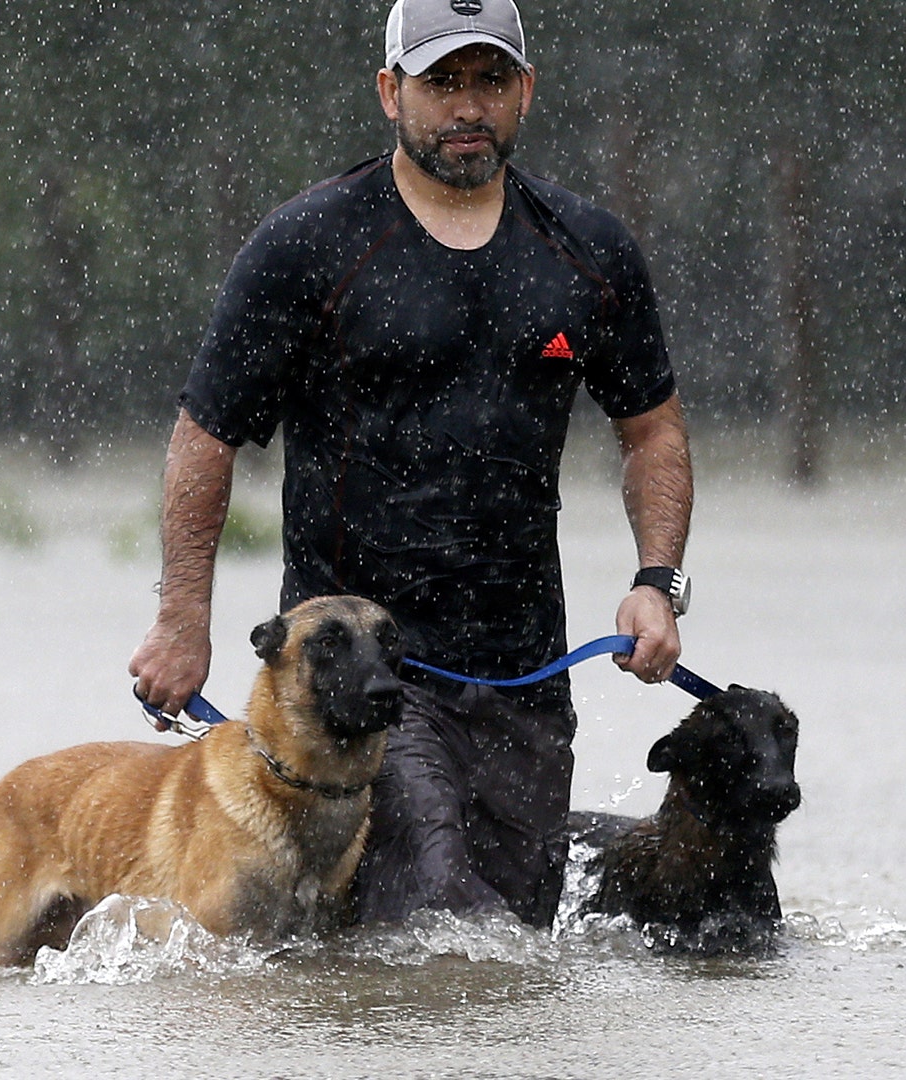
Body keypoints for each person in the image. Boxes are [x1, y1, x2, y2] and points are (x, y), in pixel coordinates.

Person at [129, 0, 693, 929]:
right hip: (354, 674)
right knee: (438, 923)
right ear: (391, 92)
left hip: (525, 671)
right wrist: (183, 617)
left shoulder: (588, 252)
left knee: (512, 946)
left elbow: (653, 432)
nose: (467, 107)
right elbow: (206, 435)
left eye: (489, 81)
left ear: (526, 92)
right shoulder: (309, 244)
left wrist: (655, 582)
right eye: (441, 83)